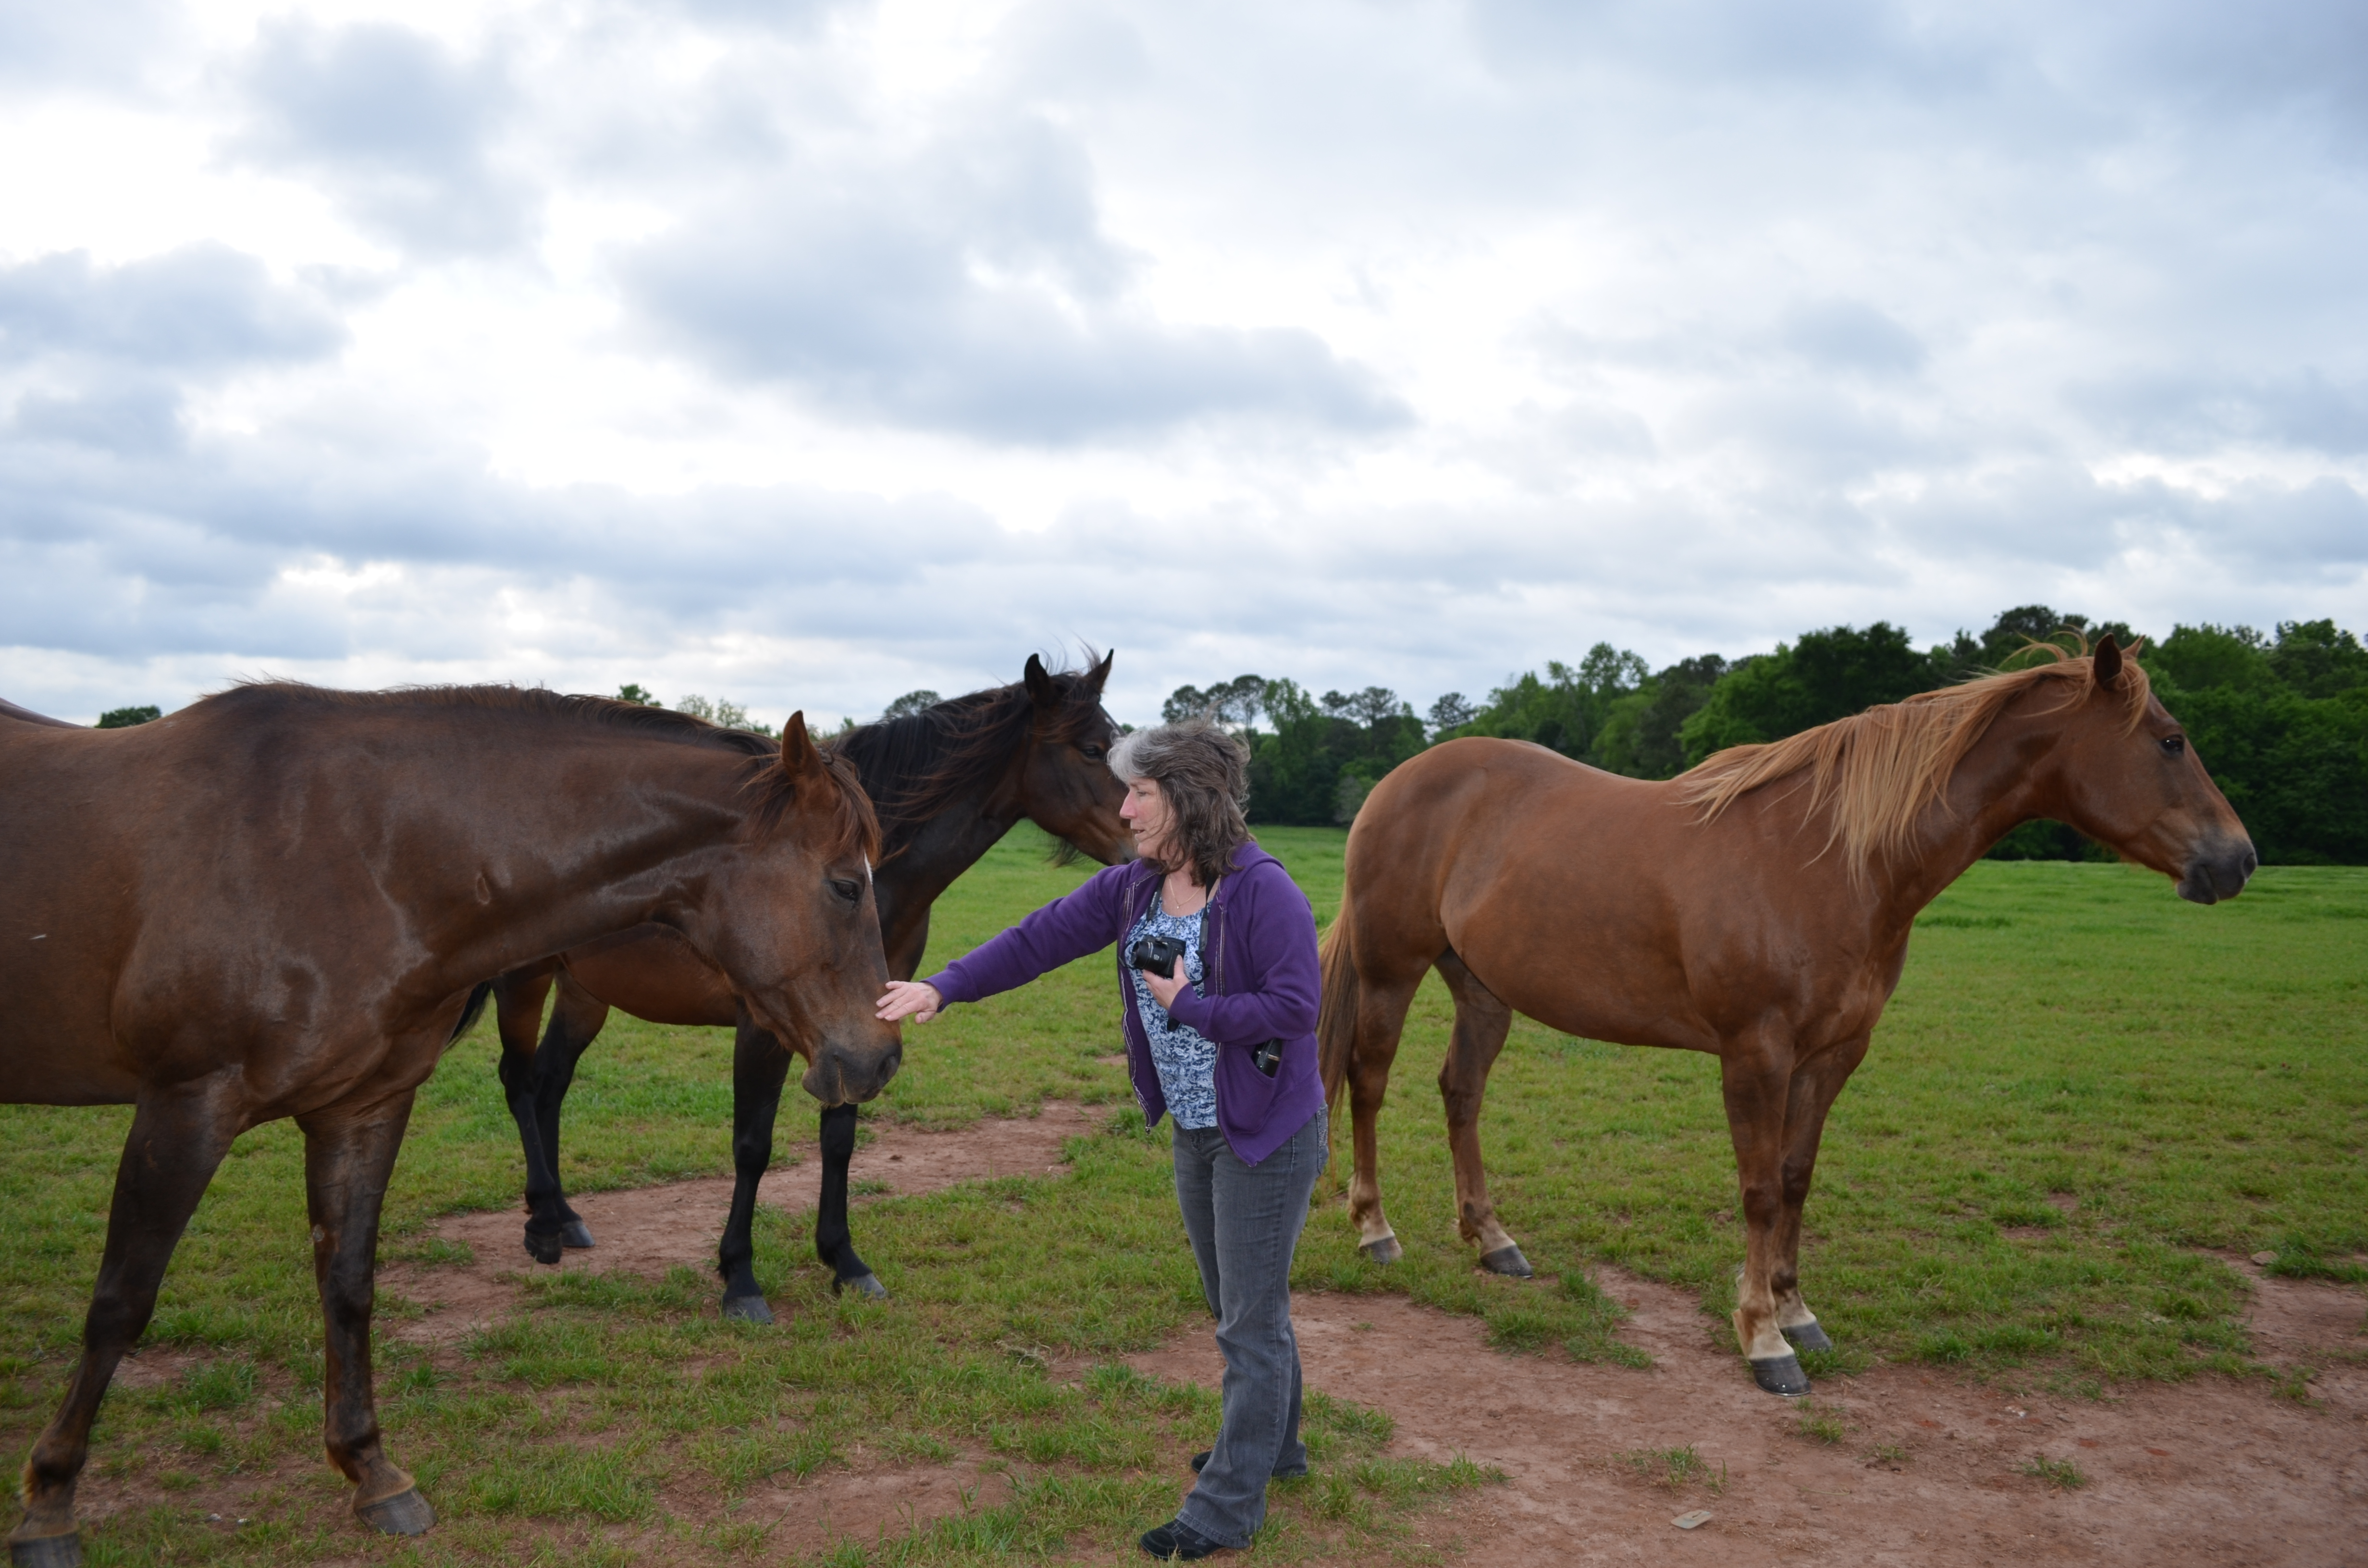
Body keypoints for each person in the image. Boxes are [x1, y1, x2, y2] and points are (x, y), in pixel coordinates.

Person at [876, 718, 1327, 1560]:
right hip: (1196, 1128)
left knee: (1248, 1321)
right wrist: (944, 987)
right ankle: (1281, 1446)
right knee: (1240, 1306)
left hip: (1265, 1132)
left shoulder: (1264, 892)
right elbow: (1040, 936)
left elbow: (1299, 1009)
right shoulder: (1135, 887)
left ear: (1188, 801)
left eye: (1141, 794)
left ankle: (1228, 1506)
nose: (1123, 810)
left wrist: (1189, 1007)